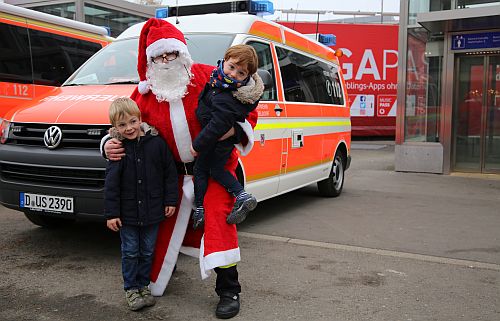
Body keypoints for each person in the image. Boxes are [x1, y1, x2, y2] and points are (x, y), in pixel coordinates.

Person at [102, 18, 258, 319]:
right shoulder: (144, 94)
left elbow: (249, 112)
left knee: (218, 222)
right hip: (169, 175)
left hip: (213, 169)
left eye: (170, 54)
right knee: (159, 226)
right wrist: (108, 145)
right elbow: (118, 126)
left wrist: (236, 131)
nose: (165, 61)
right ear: (150, 59)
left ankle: (229, 289)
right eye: (158, 56)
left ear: (181, 53)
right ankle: (155, 277)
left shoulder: (209, 76)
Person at [104, 97, 178, 311]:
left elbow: (169, 175)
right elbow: (111, 184)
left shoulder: (156, 143)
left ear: (140, 119)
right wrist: (111, 214)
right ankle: (131, 289)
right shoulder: (117, 149)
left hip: (153, 211)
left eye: (132, 122)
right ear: (114, 127)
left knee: (147, 251)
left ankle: (144, 285)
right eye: (122, 125)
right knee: (130, 251)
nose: (129, 128)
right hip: (126, 214)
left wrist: (170, 200)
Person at [190, 45, 264, 230]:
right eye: (231, 67)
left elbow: (218, 125)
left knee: (202, 170)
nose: (233, 74)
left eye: (240, 73)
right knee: (215, 170)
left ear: (247, 77)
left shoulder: (227, 94)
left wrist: (197, 145)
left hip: (214, 141)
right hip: (219, 141)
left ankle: (200, 208)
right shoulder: (219, 82)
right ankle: (241, 196)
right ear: (224, 61)